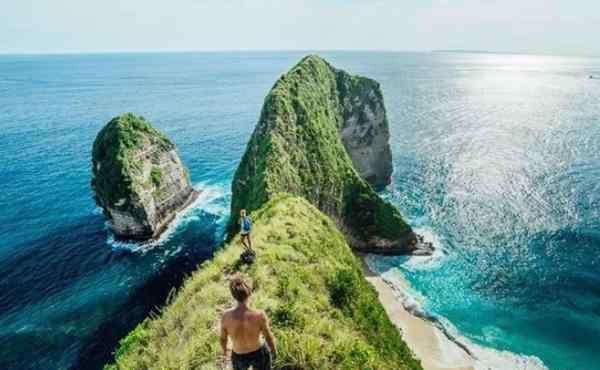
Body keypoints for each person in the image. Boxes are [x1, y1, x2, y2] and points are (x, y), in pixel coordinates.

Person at [220, 274, 276, 370]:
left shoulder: (225, 317)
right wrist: (274, 351)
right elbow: (268, 336)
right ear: (249, 293)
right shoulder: (259, 315)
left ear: (233, 295)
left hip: (239, 355)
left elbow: (223, 339)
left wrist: (225, 353)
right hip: (259, 352)